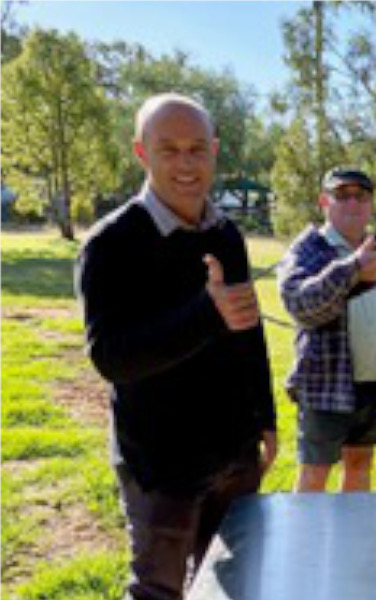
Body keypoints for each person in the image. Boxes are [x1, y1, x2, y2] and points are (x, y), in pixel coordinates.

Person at [76, 93, 278, 600]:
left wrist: (266, 417)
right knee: (158, 590)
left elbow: (248, 332)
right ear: (141, 153)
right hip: (162, 466)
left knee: (234, 583)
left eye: (196, 149)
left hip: (234, 455)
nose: (186, 164)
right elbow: (111, 357)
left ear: (214, 151)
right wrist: (204, 315)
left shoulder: (227, 235)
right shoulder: (110, 245)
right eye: (169, 149)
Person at [277, 167, 376, 493]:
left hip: (375, 385)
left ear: (371, 204)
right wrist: (353, 269)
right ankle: (307, 543)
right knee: (314, 474)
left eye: (361, 196)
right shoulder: (309, 248)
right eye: (342, 195)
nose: (353, 203)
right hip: (326, 386)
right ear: (324, 201)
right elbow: (300, 304)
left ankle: (351, 542)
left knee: (359, 465)